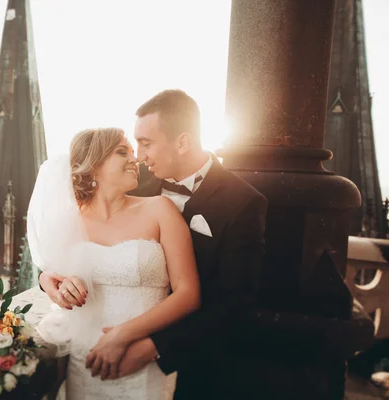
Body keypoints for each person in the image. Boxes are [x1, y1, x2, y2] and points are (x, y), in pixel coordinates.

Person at [40, 90, 268, 399]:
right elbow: (66, 252)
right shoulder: (132, 183)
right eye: (132, 147)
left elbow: (231, 303)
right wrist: (48, 282)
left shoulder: (242, 203)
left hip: (188, 363)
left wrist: (153, 348)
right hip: (89, 360)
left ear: (182, 142)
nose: (138, 156)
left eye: (146, 144)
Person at [27, 127, 201, 399]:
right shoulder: (68, 221)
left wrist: (122, 337)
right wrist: (51, 281)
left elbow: (188, 294)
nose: (136, 159)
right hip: (85, 364)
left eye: (133, 152)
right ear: (94, 164)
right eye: (123, 152)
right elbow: (53, 272)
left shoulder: (159, 209)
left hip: (141, 363)